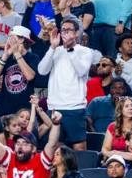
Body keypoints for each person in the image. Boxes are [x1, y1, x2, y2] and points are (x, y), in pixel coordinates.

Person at [36, 17, 95, 150]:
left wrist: (70, 50)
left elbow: (81, 71)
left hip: (75, 107)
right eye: (63, 30)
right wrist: (52, 47)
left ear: (76, 33)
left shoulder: (85, 51)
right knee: (53, 148)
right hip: (54, 107)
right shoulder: (55, 50)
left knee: (79, 148)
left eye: (69, 30)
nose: (66, 33)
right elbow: (42, 70)